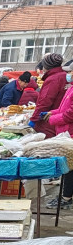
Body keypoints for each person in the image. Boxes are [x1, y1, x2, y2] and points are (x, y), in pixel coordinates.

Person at [46, 60, 73, 209]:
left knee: (69, 168)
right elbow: (64, 108)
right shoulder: (70, 89)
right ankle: (66, 194)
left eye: (70, 72)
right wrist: (52, 112)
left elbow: (70, 113)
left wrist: (53, 119)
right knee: (68, 167)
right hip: (65, 132)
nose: (68, 75)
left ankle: (66, 197)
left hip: (70, 133)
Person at [30, 53, 67, 139]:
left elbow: (44, 102)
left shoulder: (53, 79)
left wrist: (34, 119)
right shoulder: (65, 76)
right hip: (61, 117)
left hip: (49, 120)